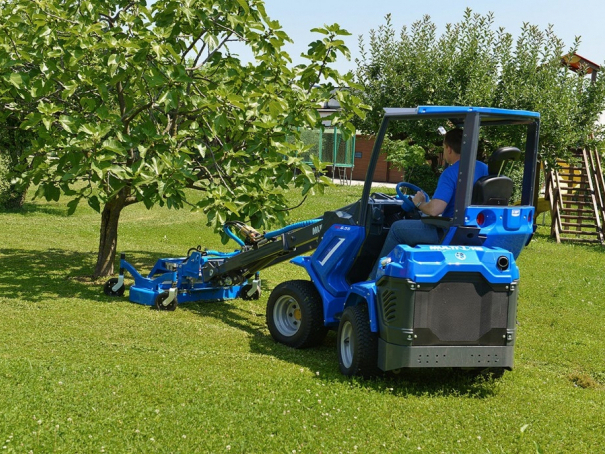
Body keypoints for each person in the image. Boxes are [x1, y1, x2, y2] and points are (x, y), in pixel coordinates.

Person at [369, 128, 489, 279]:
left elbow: (434, 210)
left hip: (448, 231)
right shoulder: (483, 168)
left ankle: (375, 278)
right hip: (472, 230)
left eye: (444, 148)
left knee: (397, 228)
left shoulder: (450, 173)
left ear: (449, 149)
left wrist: (419, 203)